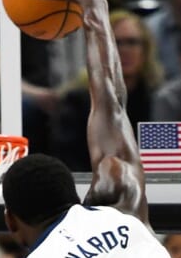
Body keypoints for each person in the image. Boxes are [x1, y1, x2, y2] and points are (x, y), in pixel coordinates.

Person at [0, 0, 181, 258]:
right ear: (73, 194)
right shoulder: (123, 207)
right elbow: (110, 100)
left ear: (10, 221)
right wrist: (95, 6)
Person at [52, 9, 163, 171]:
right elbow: (68, 161)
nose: (124, 50)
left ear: (145, 50)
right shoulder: (76, 101)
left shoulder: (158, 98)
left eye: (132, 42)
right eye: (116, 42)